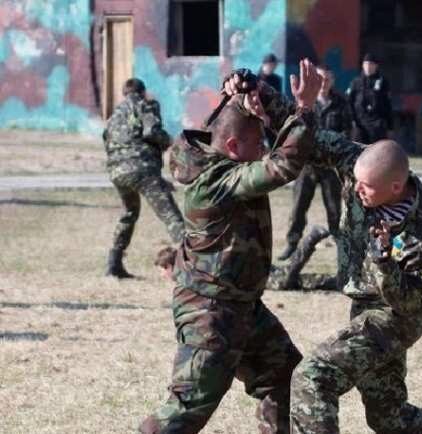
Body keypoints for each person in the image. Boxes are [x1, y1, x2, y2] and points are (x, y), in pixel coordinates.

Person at [225, 74, 422, 433]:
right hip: (363, 303)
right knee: (389, 416)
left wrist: (385, 261)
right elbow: (307, 141)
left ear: (396, 187)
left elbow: (415, 304)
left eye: (367, 188)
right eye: (356, 182)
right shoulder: (359, 165)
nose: (358, 191)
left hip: (395, 317)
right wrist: (256, 89)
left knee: (313, 377)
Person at [139, 59, 322, 434]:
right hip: (211, 312)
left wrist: (245, 99)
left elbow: (253, 140)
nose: (264, 150)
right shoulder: (214, 180)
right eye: (258, 144)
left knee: (286, 377)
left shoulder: (217, 159)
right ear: (235, 146)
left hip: (241, 307)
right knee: (187, 409)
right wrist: (303, 110)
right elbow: (283, 166)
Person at [103, 78, 184, 278]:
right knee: (171, 217)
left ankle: (114, 264)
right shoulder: (146, 105)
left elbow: (106, 139)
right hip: (142, 168)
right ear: (143, 92)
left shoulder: (114, 115)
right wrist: (170, 142)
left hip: (117, 172)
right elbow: (152, 131)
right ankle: (195, 265)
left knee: (129, 213)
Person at [278, 64, 352, 262]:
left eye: (327, 79)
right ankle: (292, 245)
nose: (324, 83)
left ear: (332, 81)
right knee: (298, 209)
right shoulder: (304, 104)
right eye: (321, 79)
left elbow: (347, 132)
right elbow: (294, 130)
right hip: (307, 166)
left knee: (335, 210)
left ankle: (341, 251)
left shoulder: (341, 103)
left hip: (330, 166)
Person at [347, 53, 393, 143]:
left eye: (371, 64)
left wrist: (390, 126)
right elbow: (349, 102)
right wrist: (352, 121)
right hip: (360, 125)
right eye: (366, 64)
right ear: (363, 66)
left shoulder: (383, 82)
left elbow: (388, 105)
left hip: (377, 126)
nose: (368, 67)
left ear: (376, 66)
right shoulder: (356, 82)